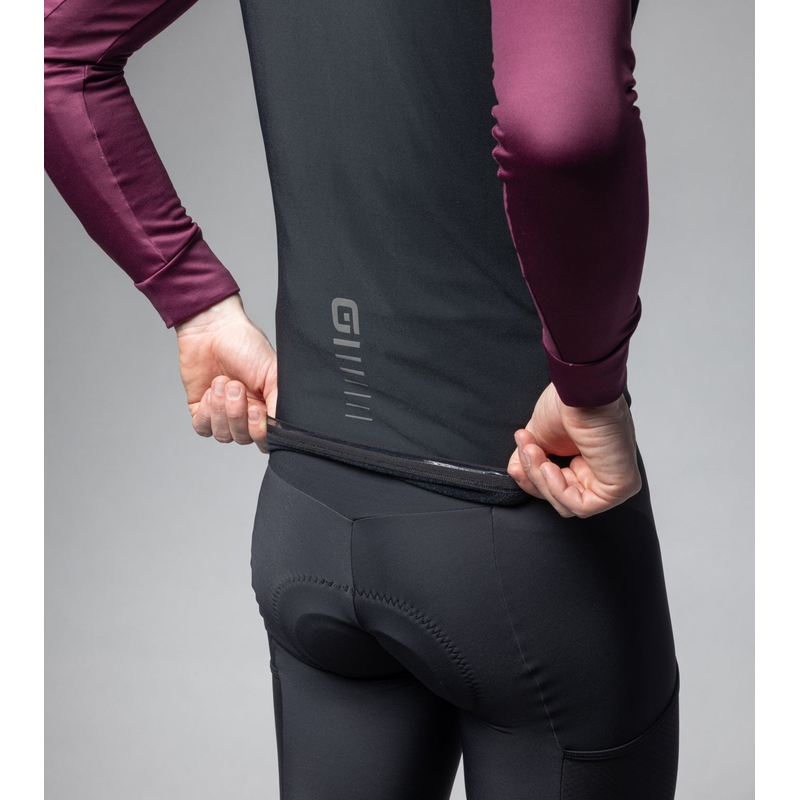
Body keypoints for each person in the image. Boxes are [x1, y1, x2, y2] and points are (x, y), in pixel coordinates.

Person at [44, 0, 679, 797]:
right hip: (526, 523)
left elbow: (51, 55)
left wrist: (194, 301)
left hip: (309, 510)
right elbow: (558, 128)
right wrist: (588, 386)